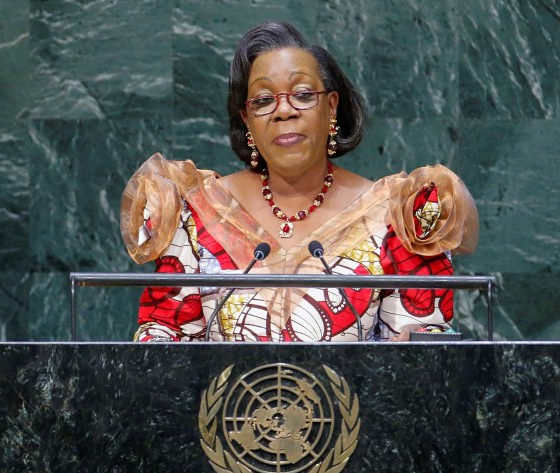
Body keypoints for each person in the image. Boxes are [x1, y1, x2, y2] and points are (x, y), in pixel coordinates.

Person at [120, 21, 478, 342]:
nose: (284, 110)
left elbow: (424, 344)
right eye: (263, 100)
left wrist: (417, 346)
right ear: (247, 119)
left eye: (303, 95)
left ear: (332, 106)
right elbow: (163, 340)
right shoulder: (197, 213)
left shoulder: (394, 216)